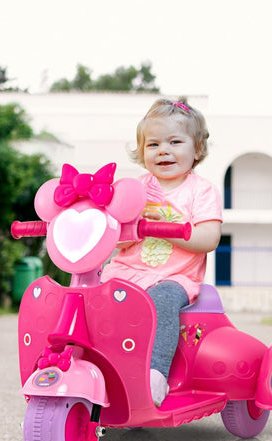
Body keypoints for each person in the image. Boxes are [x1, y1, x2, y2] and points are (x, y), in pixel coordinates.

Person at [102, 97, 222, 406]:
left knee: (162, 301)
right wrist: (133, 226)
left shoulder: (200, 190)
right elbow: (113, 239)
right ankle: (101, 368)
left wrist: (173, 227)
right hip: (128, 272)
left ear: (196, 149)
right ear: (142, 152)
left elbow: (208, 238)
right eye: (153, 144)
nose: (163, 150)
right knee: (95, 300)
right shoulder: (133, 189)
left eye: (174, 142)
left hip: (174, 277)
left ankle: (155, 374)